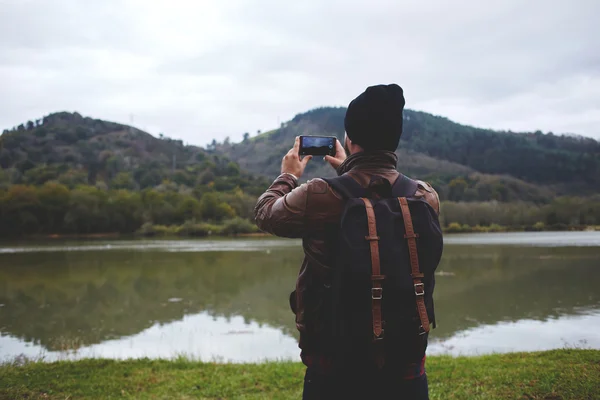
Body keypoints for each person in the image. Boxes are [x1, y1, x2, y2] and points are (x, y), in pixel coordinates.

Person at [254, 84, 443, 399]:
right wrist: (348, 167)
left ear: (349, 140)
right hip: (405, 363)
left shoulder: (319, 195)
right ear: (394, 141)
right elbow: (378, 192)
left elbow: (265, 213)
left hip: (334, 366)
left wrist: (287, 175)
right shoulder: (425, 196)